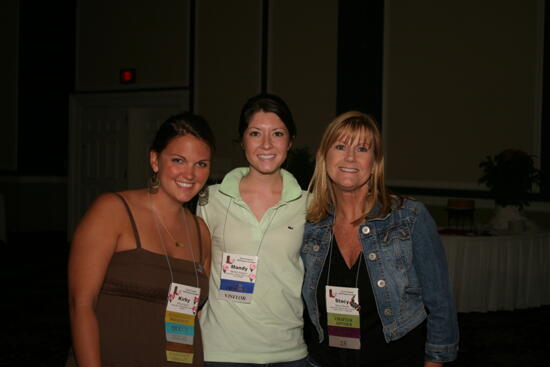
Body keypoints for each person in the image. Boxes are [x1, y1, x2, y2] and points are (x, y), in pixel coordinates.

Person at [301, 111, 459, 366]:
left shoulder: (408, 219)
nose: (350, 157)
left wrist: (436, 360)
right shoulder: (310, 226)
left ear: (374, 162)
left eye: (362, 149)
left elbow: (440, 303)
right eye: (340, 146)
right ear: (323, 157)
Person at [66, 112, 214, 366]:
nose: (190, 174)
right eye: (178, 160)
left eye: (201, 164)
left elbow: (194, 315)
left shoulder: (200, 232)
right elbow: (81, 304)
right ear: (155, 161)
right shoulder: (112, 210)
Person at [197, 94, 308, 366]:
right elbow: (197, 268)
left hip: (288, 352)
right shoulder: (209, 199)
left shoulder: (310, 204)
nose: (267, 144)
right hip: (221, 352)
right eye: (256, 133)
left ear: (290, 141)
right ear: (242, 140)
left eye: (278, 133)